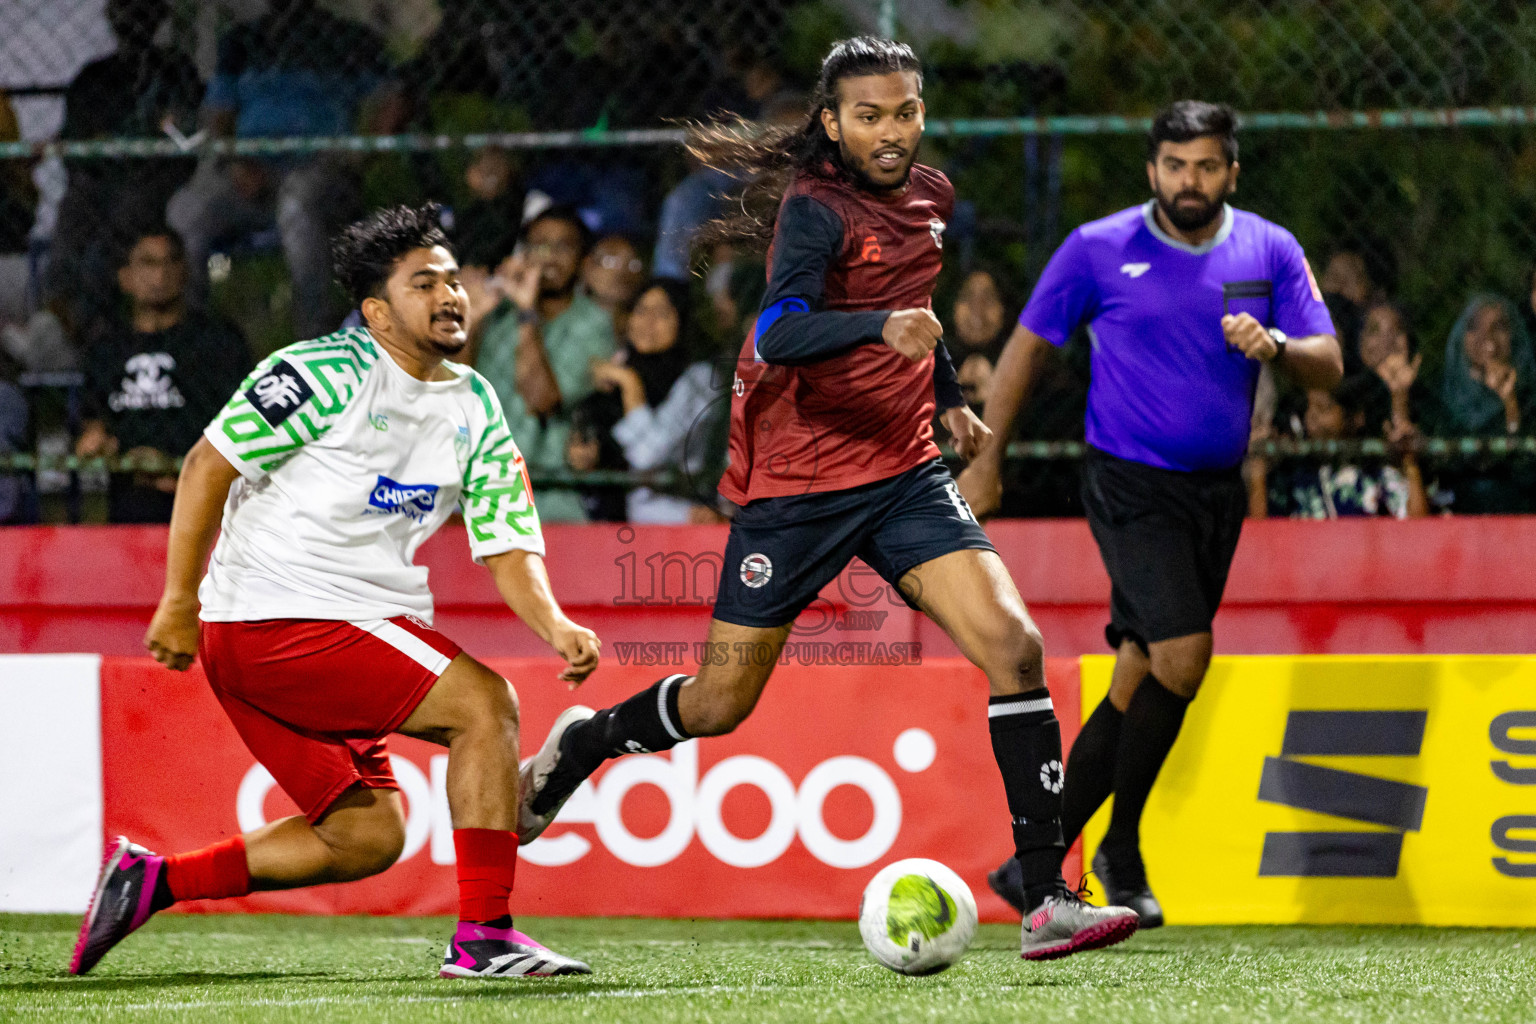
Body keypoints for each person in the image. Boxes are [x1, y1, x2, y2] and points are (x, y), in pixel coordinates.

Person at [518, 36, 1138, 962]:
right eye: (869, 115)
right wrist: (879, 328)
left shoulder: (932, 198)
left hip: (903, 475)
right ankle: (582, 745)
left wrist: (951, 401)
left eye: (906, 111)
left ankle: (1049, 898)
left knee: (1016, 648)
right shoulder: (815, 211)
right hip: (797, 487)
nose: (891, 132)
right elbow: (778, 330)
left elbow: (918, 326)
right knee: (722, 702)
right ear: (832, 124)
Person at [70, 204, 599, 979]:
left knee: (365, 837)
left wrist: (551, 621)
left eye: (454, 280)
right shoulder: (318, 371)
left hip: (329, 631)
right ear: (378, 312)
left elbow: (507, 540)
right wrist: (177, 601)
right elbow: (205, 466)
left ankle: (151, 879)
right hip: (278, 618)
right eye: (425, 284)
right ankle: (485, 934)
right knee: (485, 707)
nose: (451, 295)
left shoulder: (476, 404)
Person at [960, 101, 1342, 927]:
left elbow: (1330, 363)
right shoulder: (1098, 248)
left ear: (1231, 172)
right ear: (1151, 171)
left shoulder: (1269, 247)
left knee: (1142, 672)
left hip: (1218, 493)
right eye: (1175, 166)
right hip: (1129, 485)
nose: (1190, 182)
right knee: (1184, 654)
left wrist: (1276, 345)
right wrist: (988, 456)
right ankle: (1117, 851)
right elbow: (1028, 345)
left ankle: (1048, 857)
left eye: (1206, 166)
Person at [167, 0, 401, 339]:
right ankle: (187, 338)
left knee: (297, 201)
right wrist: (236, 162)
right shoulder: (242, 41)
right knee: (186, 211)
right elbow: (218, 113)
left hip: (321, 175)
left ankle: (313, 339)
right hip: (251, 175)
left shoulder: (349, 38)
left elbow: (394, 100)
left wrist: (356, 158)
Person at [43, 0, 203, 332]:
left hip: (155, 180)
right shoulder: (93, 77)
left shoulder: (175, 69)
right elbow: (75, 149)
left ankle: (105, 328)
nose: (133, 21)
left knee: (114, 236)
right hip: (100, 179)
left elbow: (188, 140)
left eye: (141, 11)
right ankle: (60, 326)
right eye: (125, 12)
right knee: (72, 217)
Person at [75, 228, 251, 523]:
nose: (160, 274)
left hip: (207, 495)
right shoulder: (106, 349)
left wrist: (175, 468)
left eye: (169, 262)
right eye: (148, 263)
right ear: (125, 277)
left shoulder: (218, 341)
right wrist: (110, 450)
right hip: (131, 502)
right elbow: (91, 432)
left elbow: (242, 425)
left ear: (184, 272)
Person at [471, 206, 617, 522]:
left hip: (553, 502)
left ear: (584, 259)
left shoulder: (595, 323)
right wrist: (473, 318)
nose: (550, 256)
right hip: (483, 488)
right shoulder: (498, 313)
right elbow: (451, 387)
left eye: (564, 246)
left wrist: (527, 313)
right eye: (540, 245)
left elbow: (542, 400)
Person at [589, 279, 720, 523]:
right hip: (604, 519)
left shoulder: (699, 378)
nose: (648, 322)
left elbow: (646, 455)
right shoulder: (620, 367)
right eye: (641, 310)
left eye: (662, 313)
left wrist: (630, 384)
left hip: (674, 517)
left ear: (683, 322)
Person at [1251, 374, 1429, 519]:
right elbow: (1262, 536)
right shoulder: (1295, 482)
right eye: (1309, 408)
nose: (1311, 417)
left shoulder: (1377, 477)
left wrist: (1410, 463)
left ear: (1354, 418)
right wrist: (1258, 470)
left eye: (1323, 409)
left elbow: (1414, 529)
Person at [1438, 293, 1536, 513]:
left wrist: (1511, 404)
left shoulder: (1529, 397)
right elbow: (1446, 471)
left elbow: (1525, 472)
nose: (1486, 336)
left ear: (1514, 336)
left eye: (1499, 327)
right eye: (1474, 326)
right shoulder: (1442, 397)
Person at [581, 234, 646, 337]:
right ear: (587, 266)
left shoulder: (642, 331)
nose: (620, 271)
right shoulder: (564, 322)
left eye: (632, 264)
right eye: (609, 261)